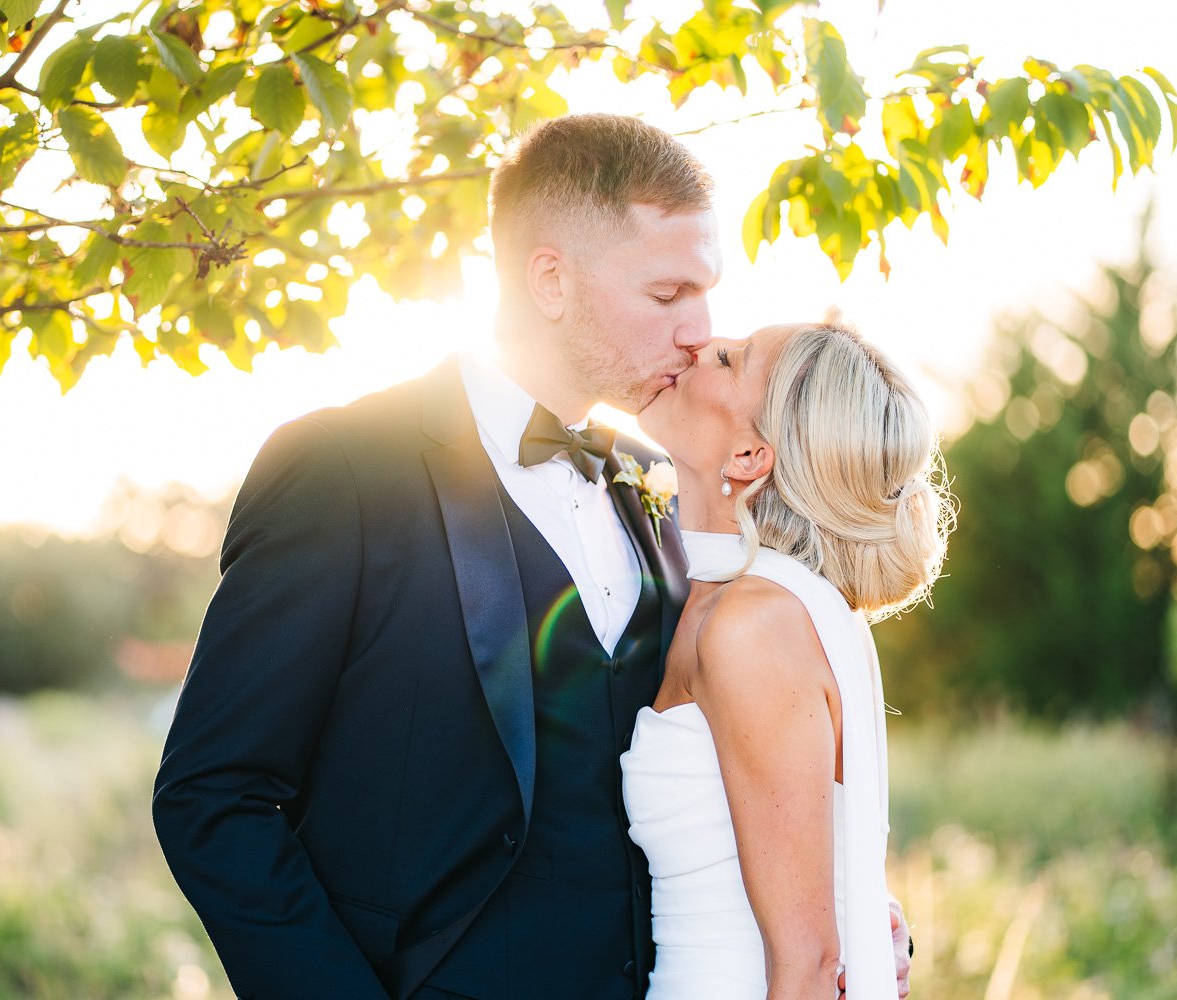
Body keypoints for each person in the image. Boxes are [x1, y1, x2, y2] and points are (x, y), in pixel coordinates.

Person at [153, 114, 911, 1000]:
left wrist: (853, 909)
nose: (698, 332)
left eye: (705, 294)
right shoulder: (341, 470)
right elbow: (215, 795)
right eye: (668, 295)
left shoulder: (669, 494)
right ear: (550, 279)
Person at [623, 322, 951, 999]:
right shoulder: (747, 604)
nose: (697, 345)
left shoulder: (752, 627)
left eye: (728, 358)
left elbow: (805, 961)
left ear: (748, 455)